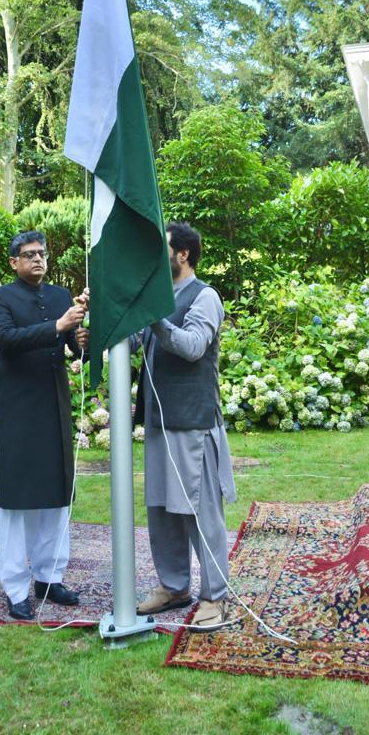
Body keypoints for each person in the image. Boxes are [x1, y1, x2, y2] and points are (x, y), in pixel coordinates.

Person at [134, 221, 236, 631]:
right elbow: (135, 341)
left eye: (164, 249)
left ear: (182, 255)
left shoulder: (205, 297)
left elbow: (192, 347)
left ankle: (216, 596)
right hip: (159, 423)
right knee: (161, 509)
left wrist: (154, 316)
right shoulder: (158, 299)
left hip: (192, 424)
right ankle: (174, 587)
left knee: (198, 511)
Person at [0, 231, 86, 621]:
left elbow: (75, 348)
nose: (38, 260)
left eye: (42, 254)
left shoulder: (61, 296)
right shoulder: (0, 298)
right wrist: (59, 324)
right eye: (29, 255)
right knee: (17, 498)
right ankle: (15, 587)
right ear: (14, 262)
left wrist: (82, 334)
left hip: (53, 402)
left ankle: (49, 576)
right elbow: (6, 341)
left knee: (55, 492)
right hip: (17, 405)